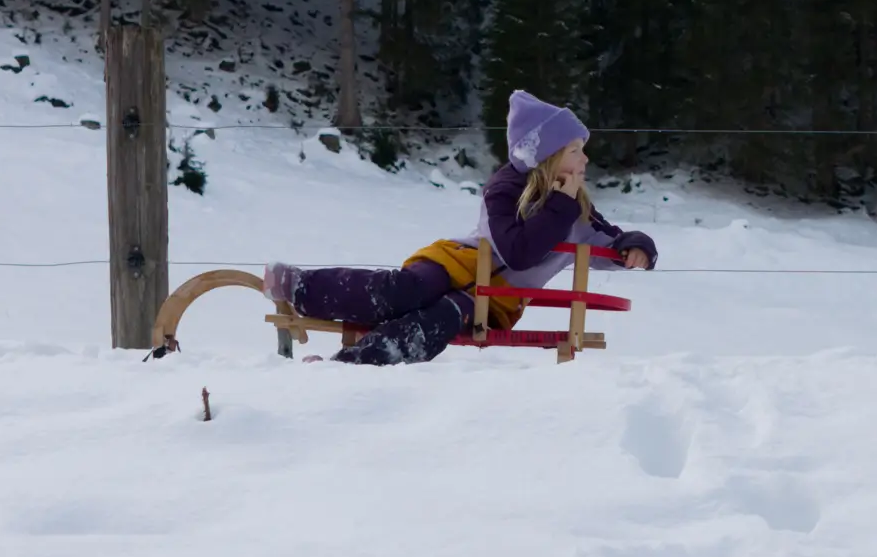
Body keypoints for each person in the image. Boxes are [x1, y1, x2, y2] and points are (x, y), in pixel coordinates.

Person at [264, 90, 656, 365]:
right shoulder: (504, 190)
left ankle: (346, 367)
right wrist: (559, 206)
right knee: (404, 291)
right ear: (546, 157)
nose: (585, 158)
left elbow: (613, 240)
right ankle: (300, 286)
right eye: (575, 150)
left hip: (497, 298)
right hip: (458, 262)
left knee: (437, 322)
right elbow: (517, 251)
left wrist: (636, 247)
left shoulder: (576, 210)